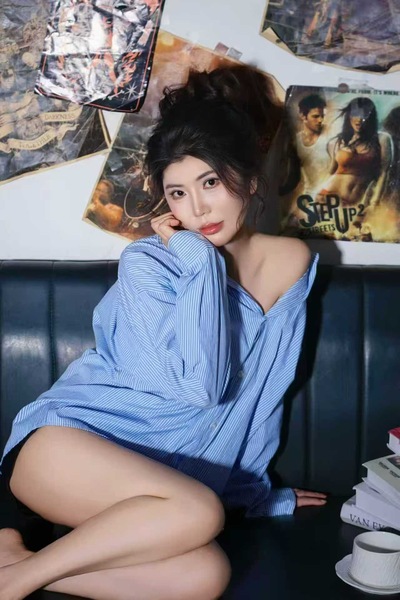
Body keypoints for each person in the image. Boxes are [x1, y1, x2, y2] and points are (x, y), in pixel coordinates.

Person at [0, 65, 327, 600]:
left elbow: (264, 395)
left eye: (210, 182)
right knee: (200, 512)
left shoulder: (292, 261)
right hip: (69, 447)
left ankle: (19, 565)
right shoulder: (149, 265)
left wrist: (256, 494)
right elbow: (199, 387)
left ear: (248, 177)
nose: (196, 210)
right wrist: (201, 264)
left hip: (166, 489)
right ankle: (15, 582)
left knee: (204, 576)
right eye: (177, 193)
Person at [318, 96, 392, 208]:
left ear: (370, 117)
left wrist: (374, 202)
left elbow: (384, 173)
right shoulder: (338, 142)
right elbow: (331, 172)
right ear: (349, 116)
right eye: (355, 114)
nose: (359, 120)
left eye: (364, 116)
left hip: (356, 203)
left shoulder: (382, 139)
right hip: (327, 196)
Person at [295, 93, 331, 196]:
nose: (320, 120)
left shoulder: (329, 134)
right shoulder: (296, 142)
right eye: (315, 116)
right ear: (303, 116)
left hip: (331, 195)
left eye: (322, 116)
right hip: (309, 196)